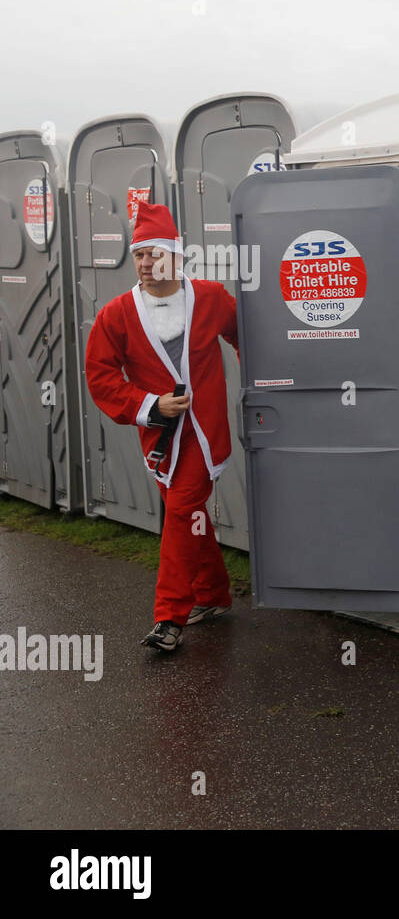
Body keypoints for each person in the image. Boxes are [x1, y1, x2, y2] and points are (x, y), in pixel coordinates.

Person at [84, 201, 239, 652]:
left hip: (205, 433)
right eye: (140, 255)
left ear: (176, 254)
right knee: (186, 513)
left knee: (179, 511)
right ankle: (213, 595)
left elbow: (244, 337)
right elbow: (101, 374)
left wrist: (262, 390)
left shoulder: (211, 298)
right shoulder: (116, 314)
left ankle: (169, 619)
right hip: (159, 437)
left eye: (156, 253)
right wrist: (150, 405)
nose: (148, 264)